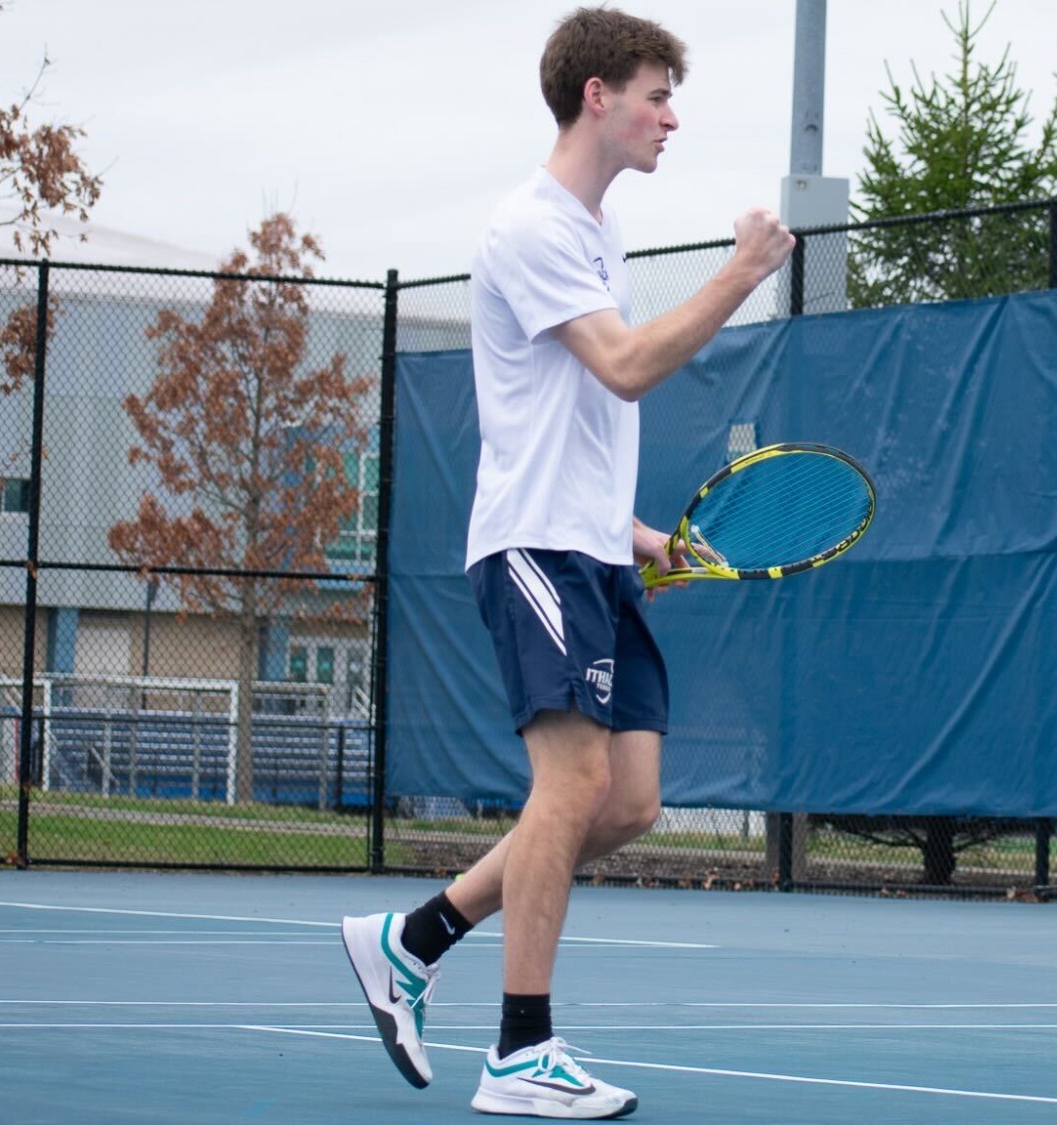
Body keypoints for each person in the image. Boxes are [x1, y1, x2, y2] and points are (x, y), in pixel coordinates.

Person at [341, 7, 793, 1119]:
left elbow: (576, 415)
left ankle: (414, 937)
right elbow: (626, 367)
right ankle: (519, 1053)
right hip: (532, 547)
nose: (669, 118)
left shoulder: (597, 238)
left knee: (626, 800)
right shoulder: (531, 227)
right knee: (572, 783)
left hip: (591, 546)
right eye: (654, 95)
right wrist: (740, 274)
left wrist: (639, 535)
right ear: (597, 95)